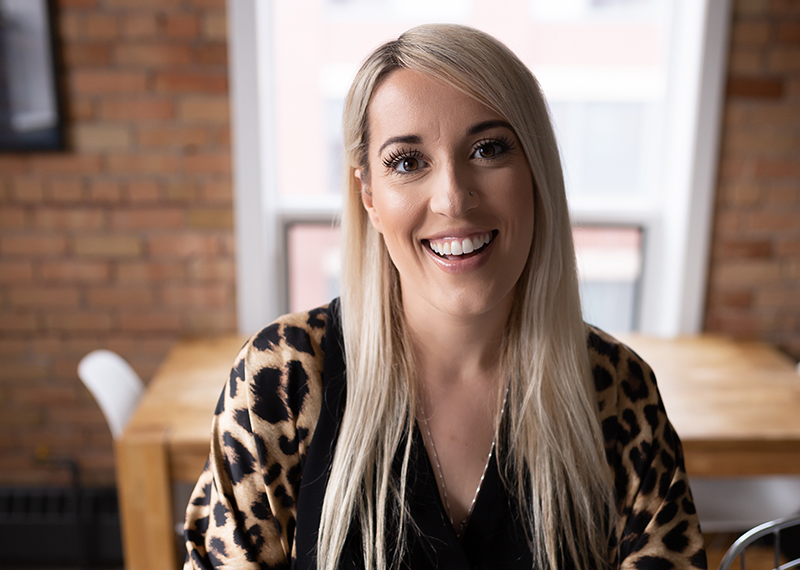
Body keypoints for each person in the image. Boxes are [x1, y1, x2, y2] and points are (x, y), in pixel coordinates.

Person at [183, 24, 707, 570]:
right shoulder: (282, 381)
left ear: (537, 172)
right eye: (407, 162)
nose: (453, 198)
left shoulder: (618, 392)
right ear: (369, 196)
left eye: (488, 149)